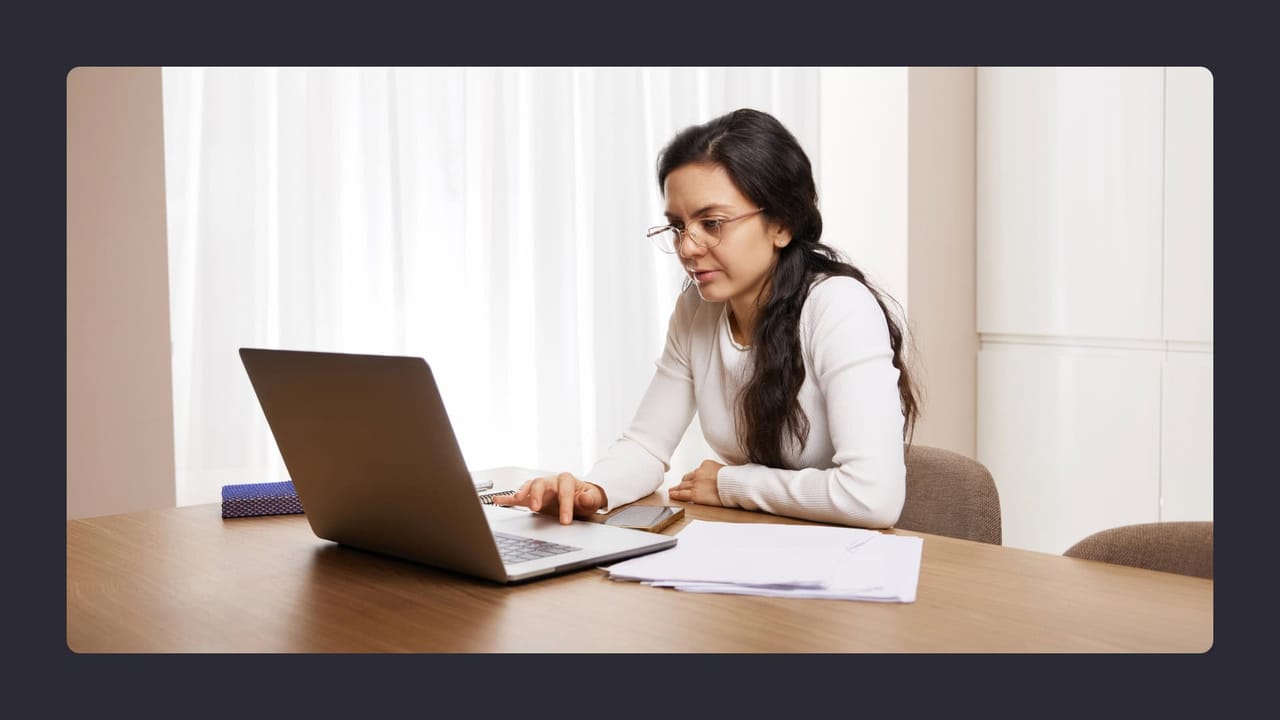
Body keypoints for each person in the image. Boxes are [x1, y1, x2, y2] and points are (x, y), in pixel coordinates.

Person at [493, 108, 919, 529]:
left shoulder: (839, 307)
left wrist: (731, 484)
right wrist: (592, 490)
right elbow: (646, 444)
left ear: (782, 225)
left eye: (711, 223)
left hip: (846, 567)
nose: (688, 248)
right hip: (753, 550)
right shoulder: (697, 311)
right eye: (678, 226)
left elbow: (873, 497)